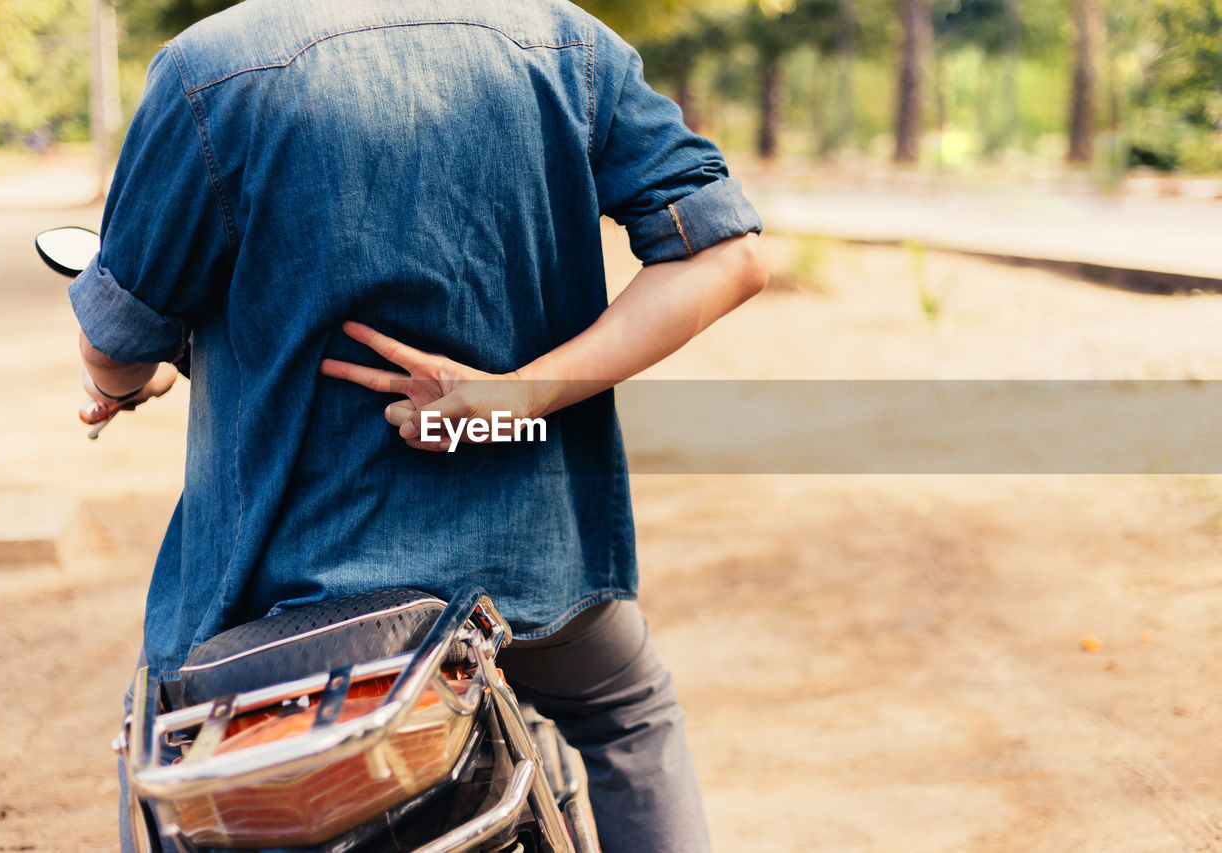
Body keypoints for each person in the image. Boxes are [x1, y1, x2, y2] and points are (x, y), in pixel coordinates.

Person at [70, 0, 766, 850]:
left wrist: (121, 379)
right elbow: (728, 252)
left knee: (172, 753)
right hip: (533, 568)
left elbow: (116, 339)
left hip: (299, 590)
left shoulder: (209, 70)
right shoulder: (567, 42)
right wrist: (520, 394)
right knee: (628, 719)